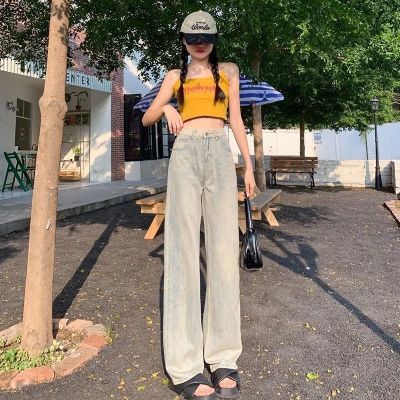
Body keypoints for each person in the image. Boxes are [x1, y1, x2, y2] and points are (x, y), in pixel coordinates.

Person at [143, 10, 256, 400]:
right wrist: (168, 108)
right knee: (182, 253)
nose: (200, 44)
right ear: (184, 40)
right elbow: (147, 117)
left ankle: (223, 356)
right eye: (193, 38)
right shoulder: (174, 76)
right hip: (186, 154)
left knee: (223, 252)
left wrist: (248, 166)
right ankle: (185, 366)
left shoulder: (229, 71)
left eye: (205, 38)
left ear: (214, 39)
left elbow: (236, 120)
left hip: (220, 154)